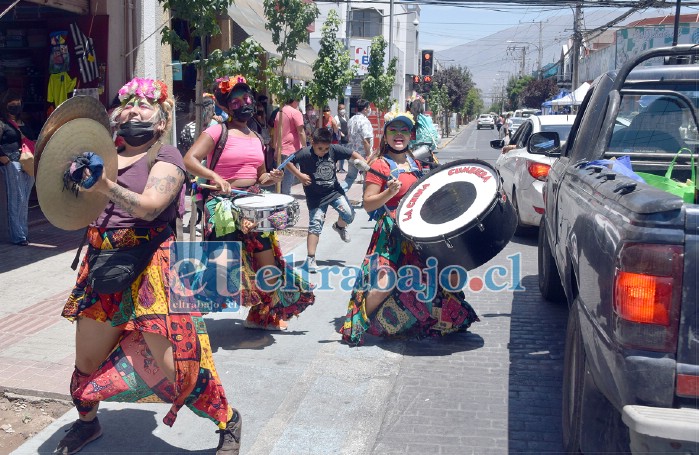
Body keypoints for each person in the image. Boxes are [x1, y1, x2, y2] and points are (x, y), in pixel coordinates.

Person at [57, 78, 242, 455]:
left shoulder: (167, 155)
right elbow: (70, 209)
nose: (133, 110)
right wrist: (64, 179)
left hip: (154, 268)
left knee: (176, 365)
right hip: (103, 263)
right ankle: (87, 423)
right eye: (128, 104)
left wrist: (103, 183)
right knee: (86, 361)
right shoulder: (99, 153)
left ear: (160, 122)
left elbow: (150, 206)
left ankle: (229, 419)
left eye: (144, 105)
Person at [184, 75, 315, 331]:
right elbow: (190, 159)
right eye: (237, 100)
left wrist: (272, 176)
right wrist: (214, 177)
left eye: (247, 98)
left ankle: (261, 316)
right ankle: (186, 314)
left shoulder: (256, 136)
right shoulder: (217, 130)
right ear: (226, 105)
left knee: (267, 262)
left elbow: (259, 176)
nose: (245, 103)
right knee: (222, 268)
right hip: (223, 204)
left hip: (253, 204)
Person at [339, 111, 479, 346]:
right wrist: (389, 193)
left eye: (404, 130)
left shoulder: (417, 162)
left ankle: (437, 321)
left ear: (411, 135)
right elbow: (368, 203)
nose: (399, 135)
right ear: (385, 135)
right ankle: (355, 323)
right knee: (385, 284)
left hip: (417, 236)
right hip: (391, 234)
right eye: (393, 130)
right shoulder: (380, 165)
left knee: (434, 280)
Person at [285, 128, 365, 273]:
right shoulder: (304, 153)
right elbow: (288, 161)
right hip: (316, 197)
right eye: (320, 148)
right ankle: (310, 258)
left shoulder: (334, 150)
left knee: (349, 215)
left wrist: (362, 163)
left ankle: (340, 227)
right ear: (312, 143)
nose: (323, 151)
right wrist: (300, 175)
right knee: (315, 225)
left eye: (326, 149)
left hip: (334, 192)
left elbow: (352, 153)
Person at [0, 91, 36, 246]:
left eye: (18, 102)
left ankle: (23, 233)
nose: (16, 105)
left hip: (27, 162)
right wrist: (4, 158)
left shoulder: (23, 122)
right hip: (12, 162)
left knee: (24, 200)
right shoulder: (2, 123)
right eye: (12, 102)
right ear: (5, 104)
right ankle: (18, 236)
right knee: (17, 198)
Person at [276, 98, 306, 195]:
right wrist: (305, 147)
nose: (298, 104)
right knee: (289, 176)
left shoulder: (279, 112)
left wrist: (275, 148)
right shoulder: (296, 113)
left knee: (279, 176)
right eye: (298, 102)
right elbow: (301, 132)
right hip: (291, 149)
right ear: (294, 101)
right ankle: (286, 197)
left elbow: (276, 131)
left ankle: (282, 196)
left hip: (280, 148)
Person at [343, 99, 373, 191]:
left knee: (350, 177)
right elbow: (366, 140)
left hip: (351, 153)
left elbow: (348, 136)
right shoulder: (364, 121)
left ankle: (337, 194)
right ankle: (366, 201)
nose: (370, 109)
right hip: (362, 155)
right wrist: (368, 155)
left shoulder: (351, 120)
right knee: (367, 179)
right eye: (369, 108)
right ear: (365, 109)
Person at [334, 103, 349, 173]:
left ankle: (341, 167)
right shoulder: (336, 117)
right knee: (340, 153)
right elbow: (336, 127)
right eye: (341, 109)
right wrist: (340, 133)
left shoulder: (346, 117)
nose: (342, 110)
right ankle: (339, 168)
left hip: (346, 137)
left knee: (344, 153)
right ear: (338, 110)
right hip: (340, 138)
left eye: (343, 108)